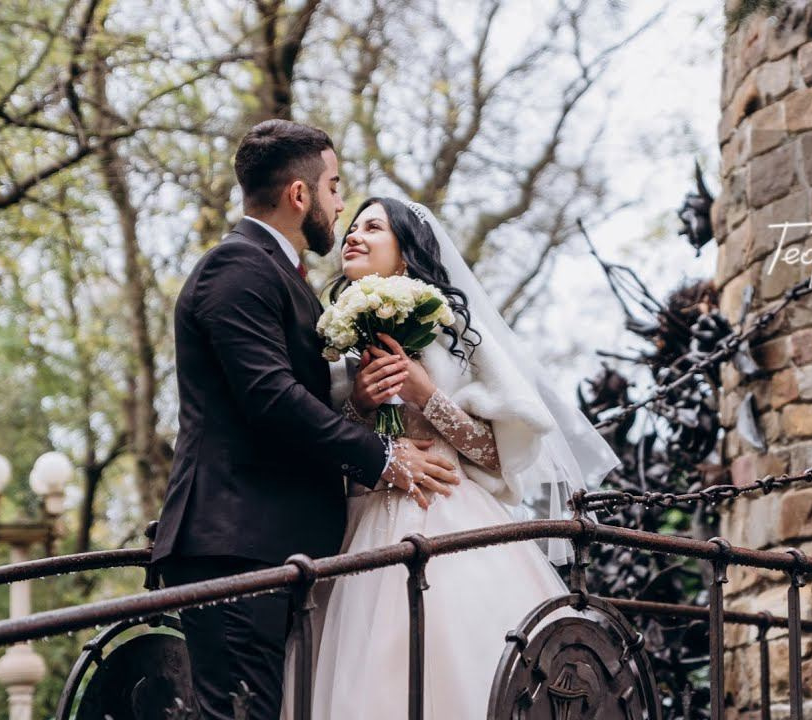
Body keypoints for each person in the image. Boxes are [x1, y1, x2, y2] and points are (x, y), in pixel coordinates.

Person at [151, 120, 459, 720]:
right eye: (334, 187)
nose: (340, 205)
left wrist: (362, 406)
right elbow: (270, 397)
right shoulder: (238, 266)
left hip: (271, 545)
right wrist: (385, 457)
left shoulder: (277, 273)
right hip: (236, 544)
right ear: (300, 194)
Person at [289, 197, 620, 719]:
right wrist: (361, 404)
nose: (353, 235)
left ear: (404, 254)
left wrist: (427, 396)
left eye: (372, 228)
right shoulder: (334, 341)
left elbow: (495, 452)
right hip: (358, 527)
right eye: (352, 227)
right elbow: (326, 442)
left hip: (446, 514)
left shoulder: (454, 333)